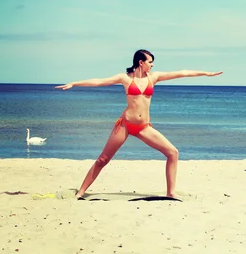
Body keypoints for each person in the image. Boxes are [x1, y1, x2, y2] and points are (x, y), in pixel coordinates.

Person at [55, 49, 223, 199]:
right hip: (125, 124)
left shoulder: (154, 77)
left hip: (144, 127)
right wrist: (74, 83)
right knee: (103, 159)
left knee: (173, 153)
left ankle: (170, 192)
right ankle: (81, 192)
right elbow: (99, 81)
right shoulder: (125, 78)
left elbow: (182, 73)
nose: (152, 65)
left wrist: (206, 74)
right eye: (150, 61)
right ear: (141, 62)